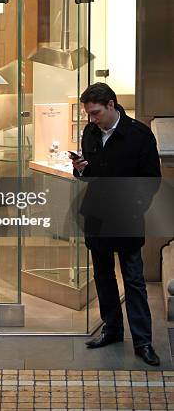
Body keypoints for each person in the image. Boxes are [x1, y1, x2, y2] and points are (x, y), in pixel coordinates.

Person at [70, 82, 161, 366]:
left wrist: (133, 209)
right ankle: (112, 330)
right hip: (96, 217)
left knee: (133, 280)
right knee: (104, 277)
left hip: (127, 219)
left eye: (95, 113)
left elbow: (151, 181)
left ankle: (143, 342)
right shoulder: (90, 133)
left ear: (111, 105)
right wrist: (80, 169)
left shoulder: (139, 135)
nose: (91, 119)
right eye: (89, 114)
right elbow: (89, 176)